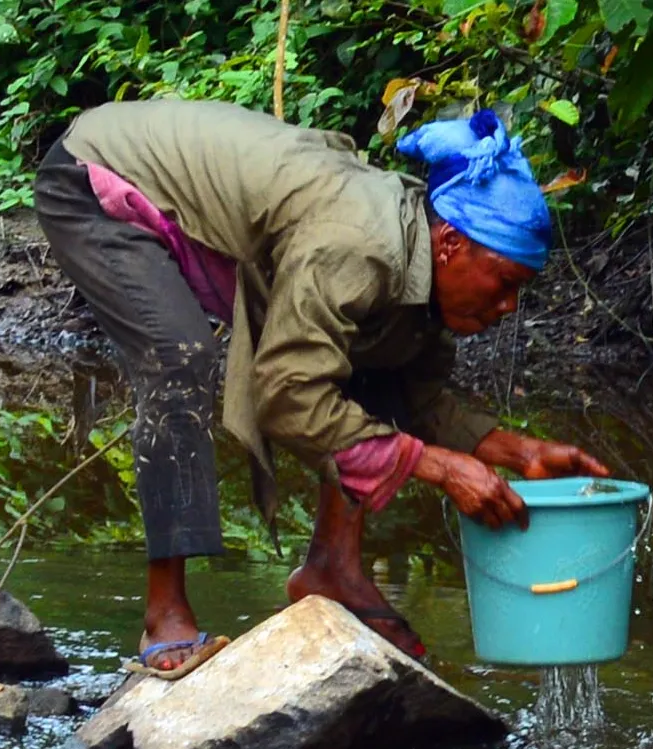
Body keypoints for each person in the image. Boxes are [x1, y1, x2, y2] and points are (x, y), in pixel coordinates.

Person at [33, 99, 611, 676]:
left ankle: (333, 568)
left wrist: (518, 453)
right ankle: (165, 613)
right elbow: (287, 393)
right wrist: (439, 468)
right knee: (180, 358)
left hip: (203, 196)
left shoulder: (419, 269)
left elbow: (420, 402)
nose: (508, 307)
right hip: (101, 175)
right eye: (505, 282)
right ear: (451, 244)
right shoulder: (359, 246)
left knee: (375, 352)